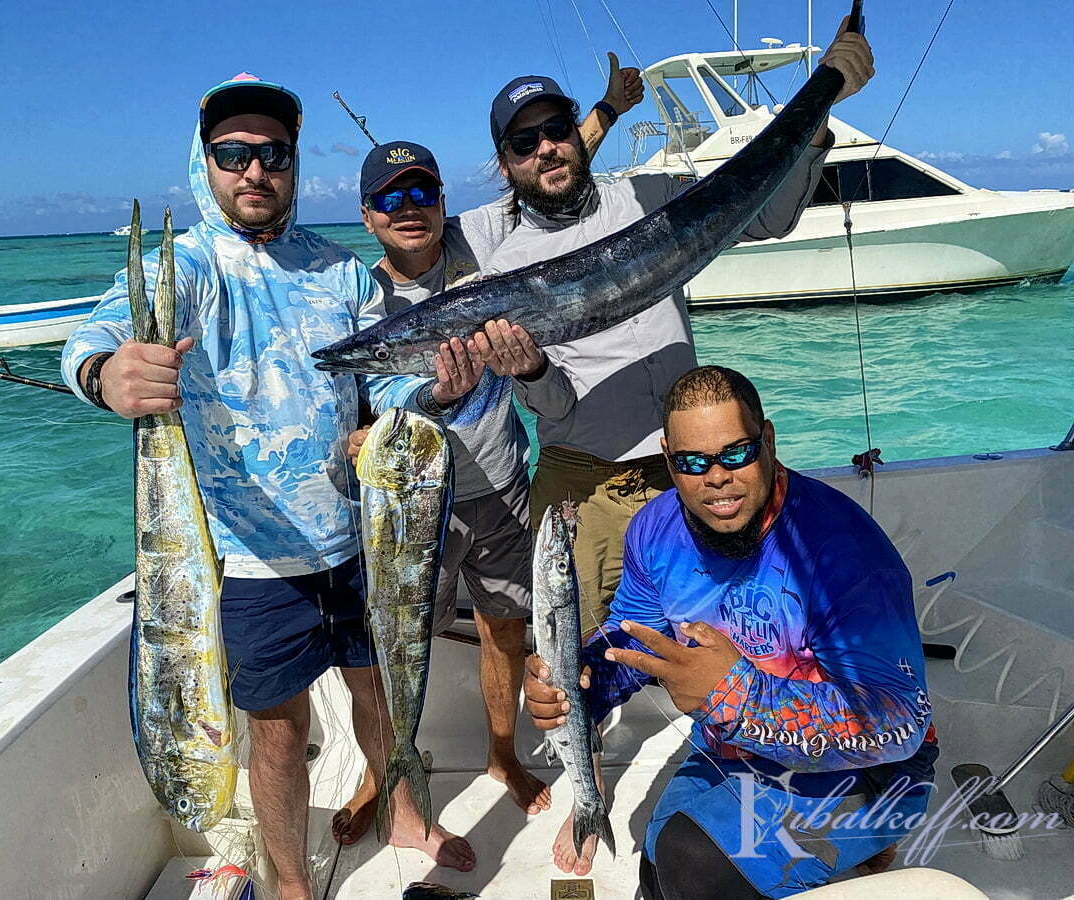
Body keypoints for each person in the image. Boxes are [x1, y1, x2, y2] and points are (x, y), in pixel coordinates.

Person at [468, 18, 872, 872]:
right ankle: (587, 793)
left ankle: (759, 770)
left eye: (555, 129)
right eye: (524, 143)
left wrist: (824, 103)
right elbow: (555, 403)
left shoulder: (646, 197)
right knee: (577, 659)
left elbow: (767, 213)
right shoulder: (504, 269)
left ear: (575, 131)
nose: (546, 149)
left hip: (696, 474)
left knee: (741, 631)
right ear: (506, 164)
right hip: (584, 480)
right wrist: (529, 367)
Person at [60, 73, 474, 900]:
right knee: (278, 732)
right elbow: (94, 338)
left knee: (380, 690)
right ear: (204, 161)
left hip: (359, 536)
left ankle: (402, 810)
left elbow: (382, 383)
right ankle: (291, 879)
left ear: (293, 164)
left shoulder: (344, 273)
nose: (255, 170)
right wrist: (106, 373)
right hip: (249, 560)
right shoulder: (186, 267)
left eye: (273, 154)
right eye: (233, 153)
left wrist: (431, 392)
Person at [331, 58, 646, 845]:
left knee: (507, 630)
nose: (410, 209)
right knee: (395, 644)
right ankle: (380, 769)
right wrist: (359, 439)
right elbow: (341, 412)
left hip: (502, 485)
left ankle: (502, 756)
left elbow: (550, 162)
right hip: (415, 508)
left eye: (423, 193)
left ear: (445, 200)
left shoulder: (482, 245)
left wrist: (609, 107)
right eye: (390, 199)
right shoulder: (356, 301)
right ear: (367, 216)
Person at [524, 365, 939, 897]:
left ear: (768, 440)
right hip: (730, 747)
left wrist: (734, 694)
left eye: (737, 453)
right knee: (657, 870)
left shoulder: (846, 555)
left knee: (692, 862)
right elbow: (633, 638)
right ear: (668, 458)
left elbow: (900, 722)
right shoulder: (653, 529)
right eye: (693, 462)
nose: (716, 477)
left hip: (877, 771)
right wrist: (576, 684)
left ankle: (868, 840)